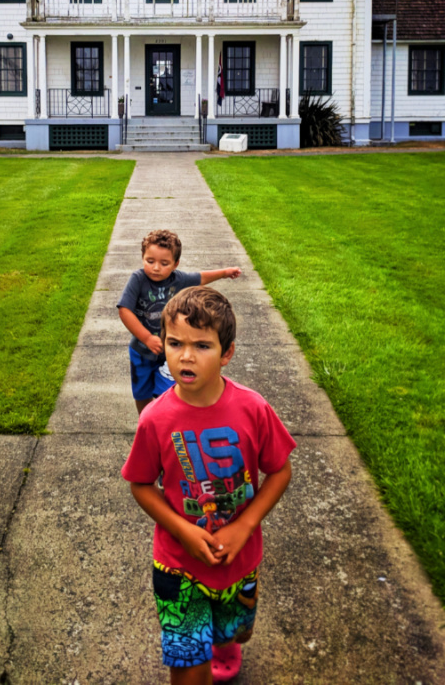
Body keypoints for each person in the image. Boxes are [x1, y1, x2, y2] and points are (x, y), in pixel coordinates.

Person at [121, 286, 295, 684]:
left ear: (226, 353)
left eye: (202, 345)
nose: (186, 356)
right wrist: (182, 531)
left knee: (236, 630)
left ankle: (225, 642)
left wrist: (244, 525)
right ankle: (203, 651)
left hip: (239, 558)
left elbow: (279, 471)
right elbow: (141, 484)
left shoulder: (253, 408)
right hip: (178, 563)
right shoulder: (155, 419)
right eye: (175, 343)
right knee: (188, 668)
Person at [117, 229, 241, 415]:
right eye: (150, 261)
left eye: (164, 263)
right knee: (142, 392)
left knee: (170, 392)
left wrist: (224, 273)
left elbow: (200, 277)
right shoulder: (138, 279)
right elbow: (124, 310)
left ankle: (169, 421)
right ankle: (146, 422)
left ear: (176, 264)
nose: (156, 268)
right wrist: (147, 338)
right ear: (142, 258)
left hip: (171, 351)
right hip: (141, 351)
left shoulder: (179, 280)